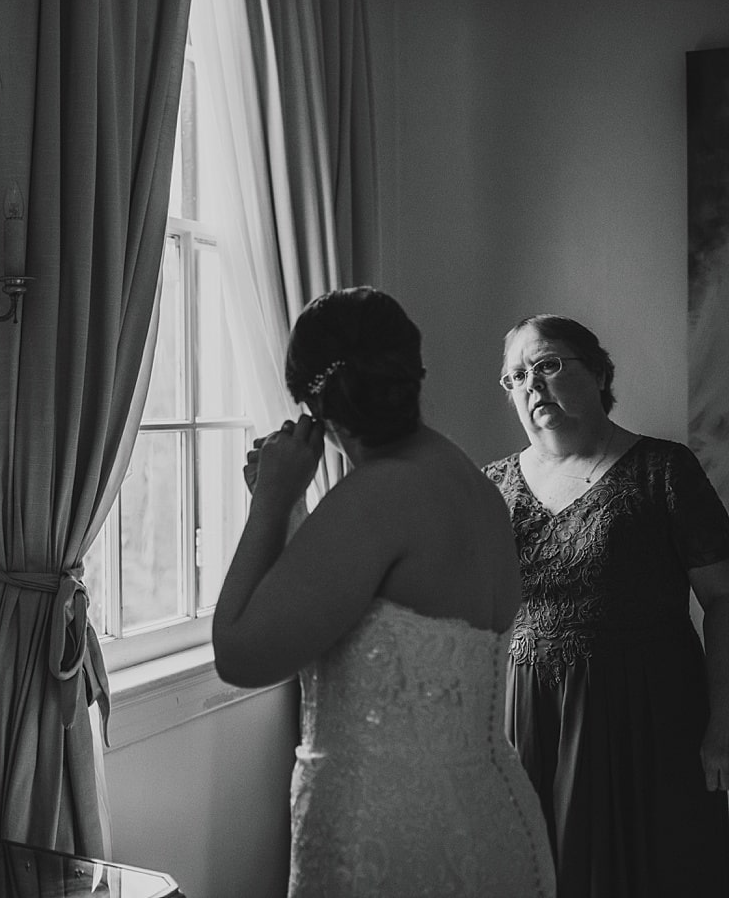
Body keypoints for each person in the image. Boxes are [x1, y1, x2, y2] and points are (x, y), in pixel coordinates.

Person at [212, 287, 554, 897]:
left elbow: (239, 654)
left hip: (389, 839)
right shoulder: (472, 486)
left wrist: (271, 500)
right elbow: (329, 603)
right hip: (498, 823)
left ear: (315, 405)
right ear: (411, 372)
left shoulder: (375, 498)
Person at [484, 314, 729, 896]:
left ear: (597, 372)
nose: (531, 384)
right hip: (528, 717)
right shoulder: (491, 486)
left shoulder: (664, 470)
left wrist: (723, 724)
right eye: (516, 376)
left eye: (547, 364)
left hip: (647, 717)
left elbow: (723, 600)